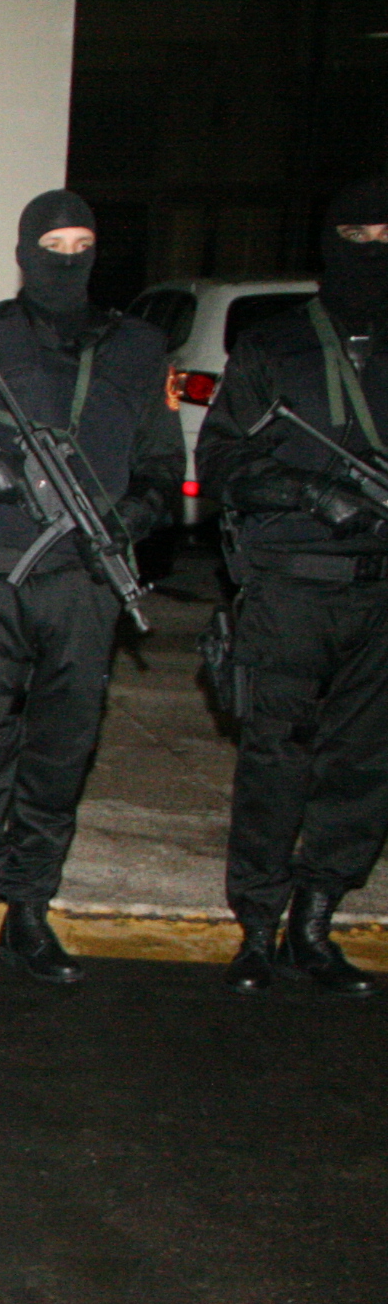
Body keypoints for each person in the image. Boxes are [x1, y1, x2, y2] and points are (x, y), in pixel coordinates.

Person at [0, 190, 182, 985]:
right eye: (54, 245)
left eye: (83, 244)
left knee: (61, 753)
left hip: (86, 584)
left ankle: (29, 908)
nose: (68, 259)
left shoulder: (137, 347)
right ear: (26, 253)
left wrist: (130, 515)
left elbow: (165, 468)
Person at [197, 175, 388, 998]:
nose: (374, 253)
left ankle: (316, 919)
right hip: (292, 590)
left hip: (379, 594)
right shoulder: (275, 345)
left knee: (364, 767)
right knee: (275, 759)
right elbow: (220, 462)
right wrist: (308, 492)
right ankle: (257, 924)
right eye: (359, 239)